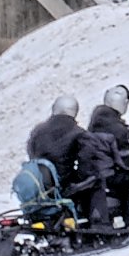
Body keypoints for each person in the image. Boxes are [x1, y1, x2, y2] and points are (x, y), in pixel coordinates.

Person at [82, 84, 129, 226]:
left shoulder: (97, 121)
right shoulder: (117, 129)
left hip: (93, 171)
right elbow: (124, 160)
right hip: (108, 174)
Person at [26, 95, 102, 223]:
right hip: (62, 184)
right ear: (74, 111)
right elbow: (87, 162)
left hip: (38, 182)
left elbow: (31, 152)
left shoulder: (37, 131)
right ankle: (99, 224)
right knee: (96, 180)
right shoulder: (78, 132)